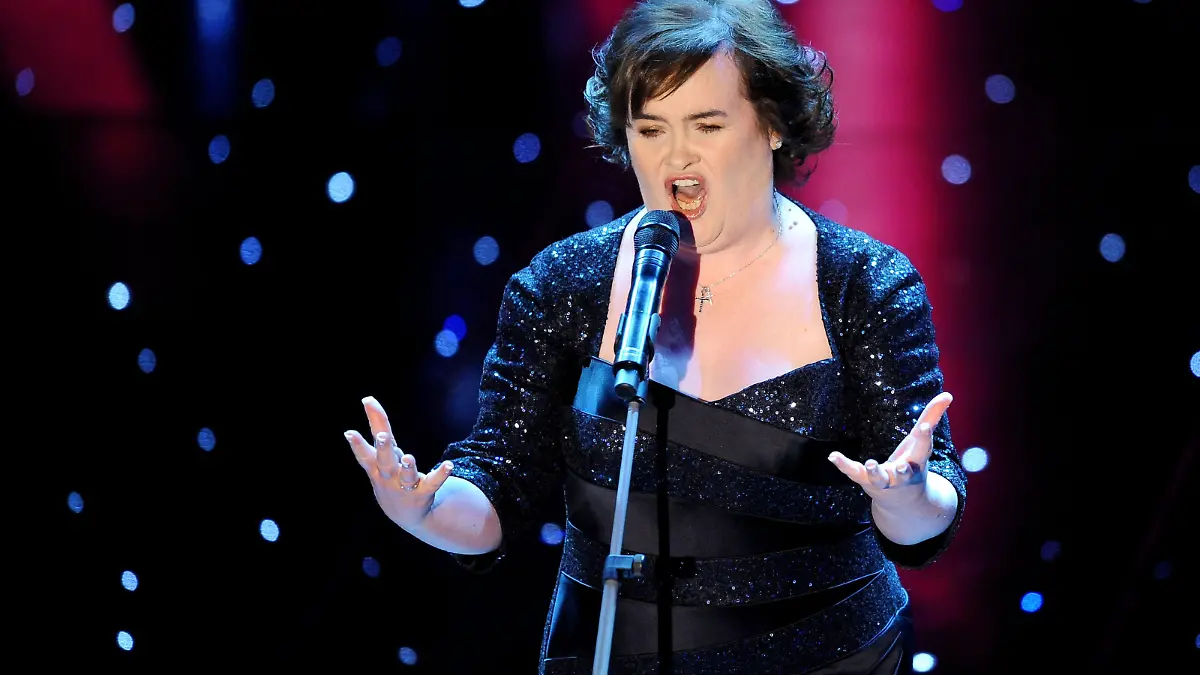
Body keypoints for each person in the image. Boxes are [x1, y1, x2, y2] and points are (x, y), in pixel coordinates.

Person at [344, 1, 967, 672]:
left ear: (772, 126)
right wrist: (422, 509)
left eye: (707, 125)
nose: (677, 155)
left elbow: (925, 505)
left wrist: (906, 497)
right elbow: (499, 485)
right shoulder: (563, 284)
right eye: (650, 128)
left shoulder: (862, 282)